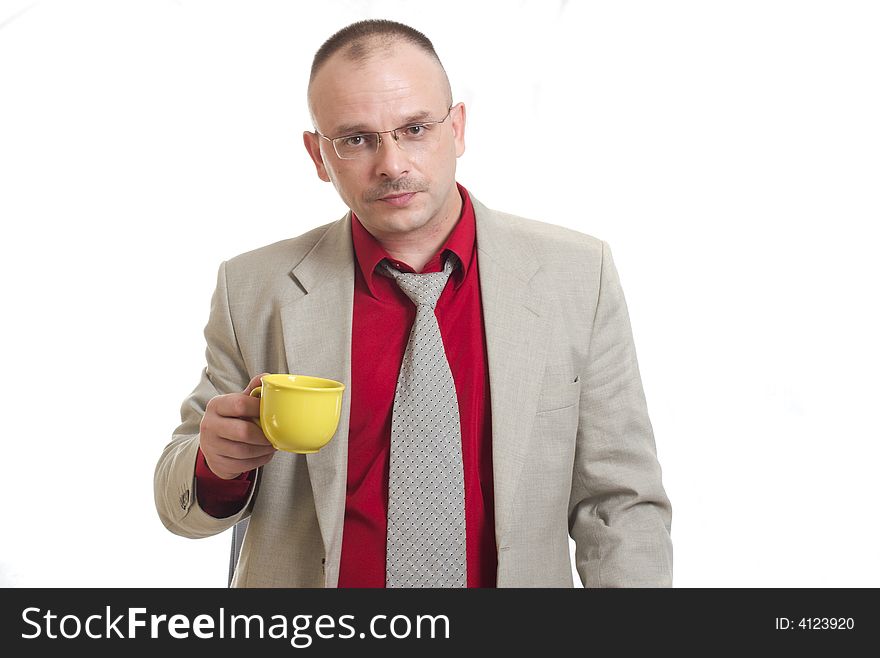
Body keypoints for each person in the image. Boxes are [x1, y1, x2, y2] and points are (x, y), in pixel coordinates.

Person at [154, 19, 672, 588]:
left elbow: (621, 504)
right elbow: (179, 502)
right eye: (355, 139)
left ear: (458, 128)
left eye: (415, 128)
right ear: (318, 155)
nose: (392, 165)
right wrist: (215, 466)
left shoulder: (578, 275)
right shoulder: (255, 286)